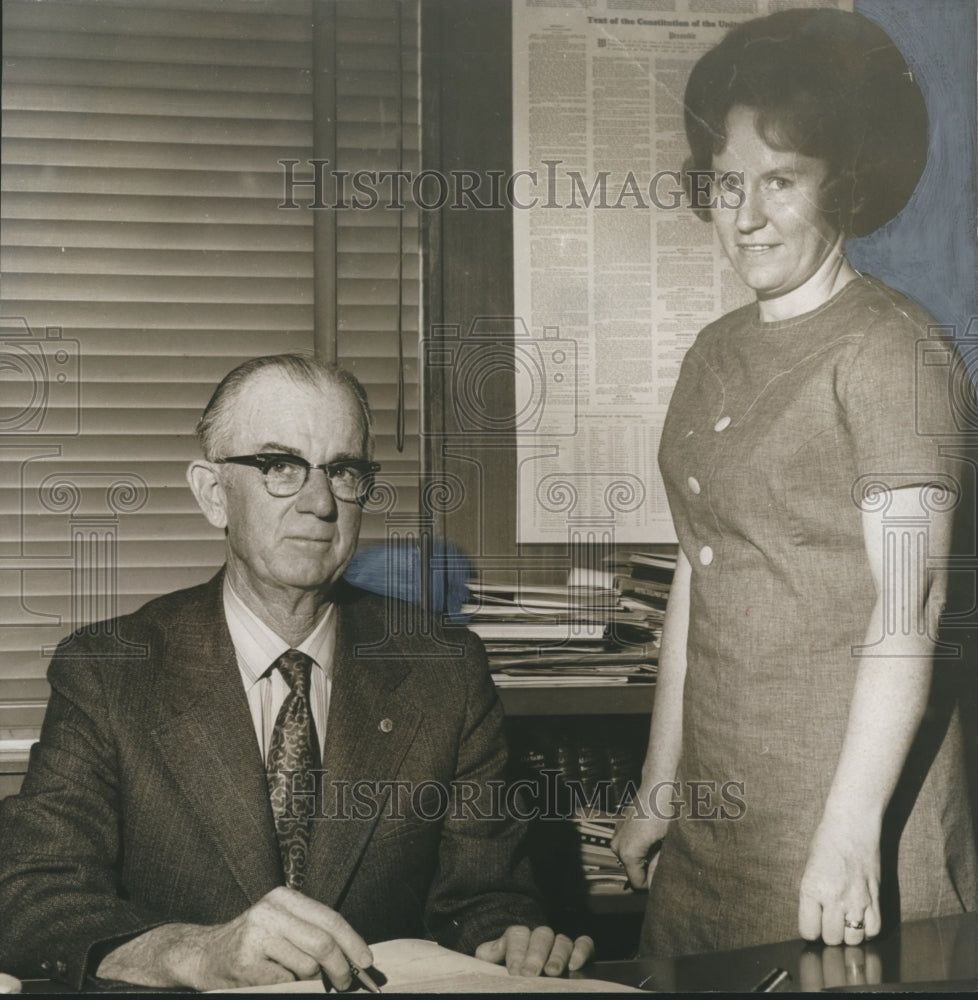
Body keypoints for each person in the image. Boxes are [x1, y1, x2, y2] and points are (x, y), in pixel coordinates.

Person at [0, 354, 593, 990]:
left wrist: (510, 941)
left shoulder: (444, 667)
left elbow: (484, 898)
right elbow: (35, 898)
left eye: (342, 471)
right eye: (279, 465)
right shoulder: (109, 671)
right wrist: (192, 952)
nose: (318, 503)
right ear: (211, 493)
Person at [611, 8, 977, 957]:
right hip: (717, 820)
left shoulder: (895, 353)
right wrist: (661, 782)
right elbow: (704, 565)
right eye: (728, 182)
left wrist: (852, 836)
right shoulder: (712, 353)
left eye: (781, 182)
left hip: (849, 819)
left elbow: (913, 604)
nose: (745, 215)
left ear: (842, 191)